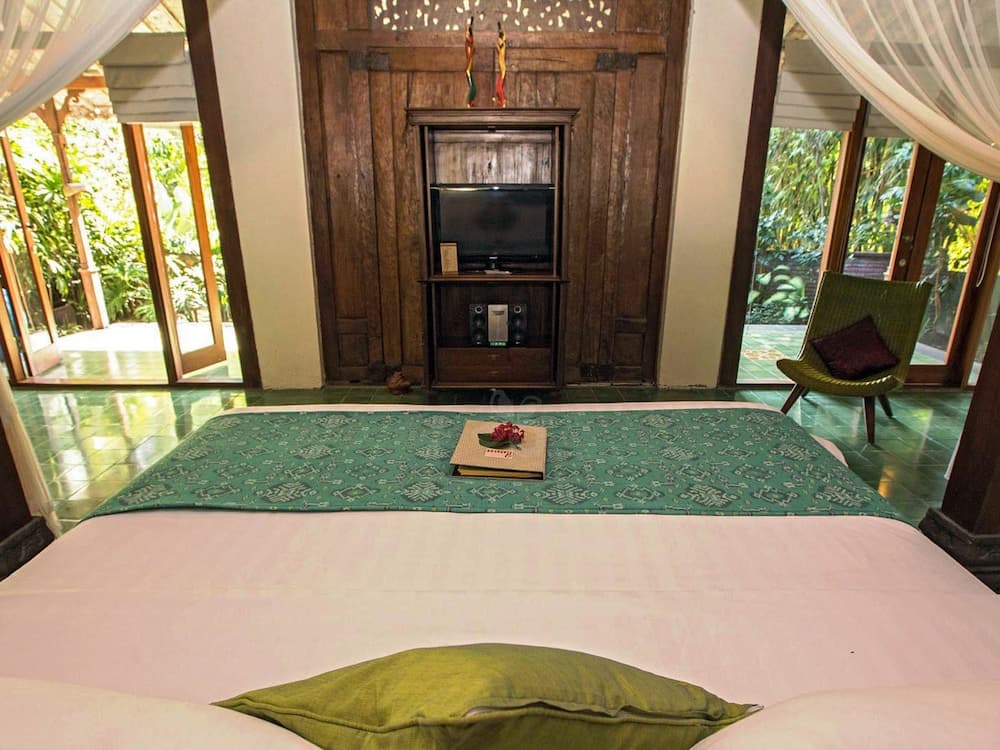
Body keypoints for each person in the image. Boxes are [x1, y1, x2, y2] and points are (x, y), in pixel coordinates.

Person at [465, 17, 477, 107]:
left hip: (470, 70)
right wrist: (469, 26)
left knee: (474, 88)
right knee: (472, 88)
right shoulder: (468, 46)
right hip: (468, 70)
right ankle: (469, 102)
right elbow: (468, 36)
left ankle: (471, 101)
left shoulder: (471, 47)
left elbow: (470, 37)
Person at [494, 21, 507, 108]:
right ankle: (501, 101)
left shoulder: (503, 46)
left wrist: (500, 30)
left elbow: (502, 37)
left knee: (499, 88)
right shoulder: (501, 48)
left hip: (502, 70)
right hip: (501, 70)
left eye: (499, 40)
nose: (498, 41)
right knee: (498, 88)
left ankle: (503, 101)